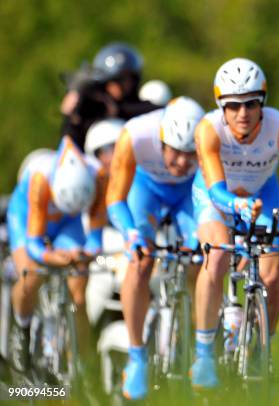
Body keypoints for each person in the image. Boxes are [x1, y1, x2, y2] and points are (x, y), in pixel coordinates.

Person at [190, 57, 279, 389]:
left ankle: (264, 347)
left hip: (263, 196)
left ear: (262, 102)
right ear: (221, 107)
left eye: (250, 104)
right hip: (217, 198)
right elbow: (216, 190)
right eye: (233, 106)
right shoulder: (207, 129)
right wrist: (238, 205)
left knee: (272, 279)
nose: (242, 113)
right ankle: (203, 353)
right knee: (217, 255)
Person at [105, 96, 204, 399]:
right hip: (145, 190)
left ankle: (201, 344)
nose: (183, 162)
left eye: (191, 154)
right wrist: (131, 234)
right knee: (140, 261)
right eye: (175, 152)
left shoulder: (211, 134)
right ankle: (137, 357)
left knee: (201, 257)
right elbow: (115, 197)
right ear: (161, 141)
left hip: (190, 192)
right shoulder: (135, 134)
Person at [6, 136, 107, 372]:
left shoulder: (99, 176)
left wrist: (84, 253)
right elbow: (34, 245)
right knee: (30, 273)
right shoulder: (40, 178)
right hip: (26, 217)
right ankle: (22, 328)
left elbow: (95, 238)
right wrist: (52, 257)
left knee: (79, 293)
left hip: (68, 222)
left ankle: (82, 366)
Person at [61, 42, 160, 150]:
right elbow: (70, 148)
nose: (118, 85)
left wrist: (117, 111)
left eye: (123, 79)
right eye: (113, 80)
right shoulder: (92, 107)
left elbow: (157, 111)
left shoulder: (140, 109)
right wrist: (72, 119)